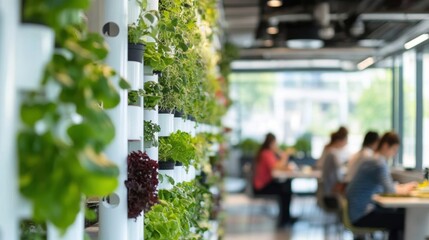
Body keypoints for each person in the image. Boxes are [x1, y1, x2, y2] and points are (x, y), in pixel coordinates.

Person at [346, 131, 417, 240]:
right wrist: (406, 189)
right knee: (405, 219)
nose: (394, 154)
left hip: (357, 211)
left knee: (399, 214)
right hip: (362, 215)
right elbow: (390, 190)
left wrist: (403, 187)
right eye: (394, 150)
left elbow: (385, 187)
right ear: (385, 146)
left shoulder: (373, 159)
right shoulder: (378, 162)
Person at [253, 133, 296, 227]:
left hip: (266, 183)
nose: (277, 146)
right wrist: (284, 156)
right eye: (276, 143)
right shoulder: (266, 153)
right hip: (262, 186)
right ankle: (284, 219)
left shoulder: (267, 153)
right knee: (285, 190)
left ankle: (286, 217)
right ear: (271, 143)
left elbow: (277, 167)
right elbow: (275, 167)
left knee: (286, 186)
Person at [318, 126, 348, 208]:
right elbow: (339, 172)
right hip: (331, 191)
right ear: (339, 141)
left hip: (327, 188)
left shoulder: (330, 151)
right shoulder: (332, 153)